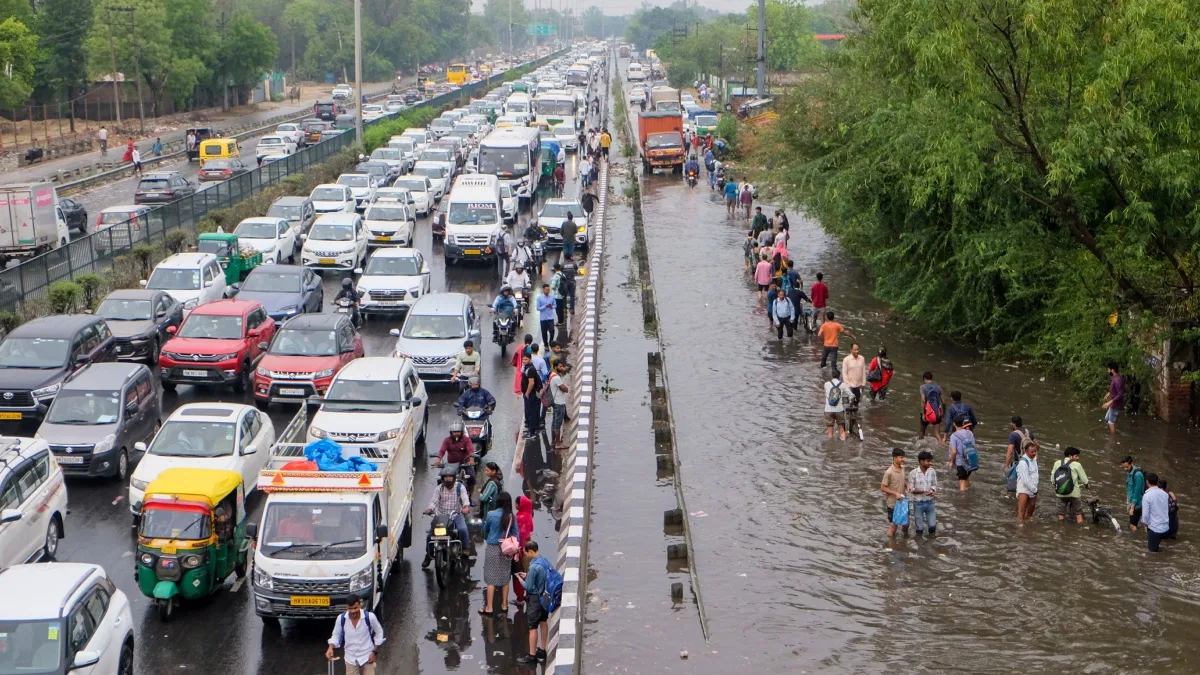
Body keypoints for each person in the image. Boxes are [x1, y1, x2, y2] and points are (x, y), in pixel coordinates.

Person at [422, 469, 471, 568]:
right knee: (430, 536)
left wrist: (466, 507)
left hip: (455, 514)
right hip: (441, 515)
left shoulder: (460, 487)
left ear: (454, 478)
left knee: (462, 529)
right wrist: (429, 509)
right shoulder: (439, 488)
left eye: (450, 478)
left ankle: (465, 550)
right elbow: (433, 501)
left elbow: (465, 499)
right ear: (443, 479)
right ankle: (428, 554)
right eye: (446, 478)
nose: (448, 480)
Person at [325, 594, 385, 675]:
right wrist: (330, 648)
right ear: (347, 607)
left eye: (355, 608)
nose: (353, 611)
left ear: (360, 605)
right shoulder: (341, 619)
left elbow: (379, 632)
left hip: (367, 656)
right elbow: (336, 635)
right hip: (350, 658)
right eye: (350, 608)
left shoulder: (370, 617)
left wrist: (374, 652)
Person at [481, 492, 519, 615]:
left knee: (491, 580)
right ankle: (504, 605)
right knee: (504, 578)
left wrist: (489, 538)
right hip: (506, 550)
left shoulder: (491, 514)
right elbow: (516, 534)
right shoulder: (511, 516)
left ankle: (489, 607)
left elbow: (485, 532)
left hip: (492, 548)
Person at [515, 540, 551, 664]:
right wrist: (528, 575)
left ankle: (531, 656)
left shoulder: (533, 566)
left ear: (531, 551)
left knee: (533, 627)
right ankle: (542, 650)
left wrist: (520, 579)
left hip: (535, 599)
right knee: (543, 621)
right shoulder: (545, 561)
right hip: (545, 596)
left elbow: (529, 587)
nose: (525, 555)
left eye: (526, 553)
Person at [1051, 447, 1089, 524]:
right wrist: (1086, 485)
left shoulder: (1057, 463)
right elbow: (1085, 480)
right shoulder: (1077, 465)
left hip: (1060, 493)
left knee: (1061, 514)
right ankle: (1080, 530)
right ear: (1070, 456)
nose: (1078, 458)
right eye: (1076, 456)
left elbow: (1052, 480)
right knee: (1078, 513)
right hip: (1074, 494)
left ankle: (1061, 529)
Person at [907, 450, 938, 536]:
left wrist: (932, 491)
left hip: (930, 502)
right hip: (918, 503)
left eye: (930, 461)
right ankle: (920, 546)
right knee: (919, 529)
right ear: (921, 461)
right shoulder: (913, 473)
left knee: (932, 527)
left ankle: (931, 543)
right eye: (928, 461)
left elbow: (934, 485)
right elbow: (910, 489)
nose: (930, 463)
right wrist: (923, 491)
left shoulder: (932, 472)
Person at [512, 494, 535, 606]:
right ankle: (528, 596)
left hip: (519, 550)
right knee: (528, 572)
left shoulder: (518, 518)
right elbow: (530, 531)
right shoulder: (529, 516)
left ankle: (520, 598)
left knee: (518, 574)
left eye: (517, 503)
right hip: (528, 549)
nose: (515, 505)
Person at [1004, 417, 1038, 493]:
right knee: (1031, 483)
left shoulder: (1013, 434)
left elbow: (1010, 451)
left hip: (1020, 462)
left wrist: (1006, 466)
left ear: (1013, 424)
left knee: (1019, 486)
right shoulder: (1029, 432)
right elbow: (1037, 444)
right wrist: (1034, 456)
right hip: (1032, 462)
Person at [881, 448, 909, 537]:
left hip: (903, 501)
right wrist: (895, 493)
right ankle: (890, 543)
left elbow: (902, 480)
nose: (902, 459)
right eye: (901, 457)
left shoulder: (902, 468)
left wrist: (906, 485)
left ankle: (904, 538)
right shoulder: (889, 472)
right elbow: (883, 488)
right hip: (893, 503)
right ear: (895, 458)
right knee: (894, 525)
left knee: (906, 523)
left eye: (903, 457)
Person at [948, 415, 977, 491]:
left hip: (961, 463)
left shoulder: (953, 436)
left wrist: (952, 462)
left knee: (962, 483)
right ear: (963, 423)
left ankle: (963, 501)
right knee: (966, 479)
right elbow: (974, 447)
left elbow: (954, 452)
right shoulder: (970, 433)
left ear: (954, 424)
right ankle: (969, 496)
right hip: (971, 461)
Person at [1142, 473, 1169, 552]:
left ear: (1147, 482)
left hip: (1155, 528)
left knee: (1151, 553)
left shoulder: (1147, 496)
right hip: (1165, 527)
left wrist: (1145, 524)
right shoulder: (1165, 494)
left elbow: (1145, 515)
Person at [823, 369, 852, 440]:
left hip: (828, 410)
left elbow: (826, 394)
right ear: (839, 376)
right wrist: (850, 402)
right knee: (842, 430)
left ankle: (831, 446)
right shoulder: (843, 384)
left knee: (830, 433)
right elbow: (851, 395)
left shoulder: (826, 384)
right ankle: (843, 446)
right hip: (839, 410)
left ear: (832, 376)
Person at [1015, 439, 1038, 523]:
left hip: (1033, 489)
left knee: (1031, 510)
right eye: (1032, 452)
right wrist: (1034, 490)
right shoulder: (1023, 463)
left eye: (1035, 451)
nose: (1034, 453)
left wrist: (1034, 489)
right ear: (1026, 451)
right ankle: (1020, 529)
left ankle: (1027, 525)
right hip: (1024, 489)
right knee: (1021, 511)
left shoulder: (1034, 459)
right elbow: (1026, 479)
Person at [918, 372, 945, 443]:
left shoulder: (922, 387)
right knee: (937, 434)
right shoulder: (938, 387)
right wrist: (943, 413)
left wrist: (923, 414)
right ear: (931, 378)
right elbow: (943, 402)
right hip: (936, 413)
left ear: (924, 379)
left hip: (927, 412)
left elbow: (923, 400)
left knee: (922, 433)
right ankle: (942, 446)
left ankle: (919, 450)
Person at [1121, 456, 1146, 532]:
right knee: (1144, 524)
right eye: (1123, 467)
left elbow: (1137, 492)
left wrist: (1132, 508)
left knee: (1132, 526)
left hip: (1137, 504)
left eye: (1127, 467)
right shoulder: (1130, 473)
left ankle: (1137, 539)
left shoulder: (1138, 475)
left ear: (1131, 463)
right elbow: (1129, 489)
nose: (1125, 469)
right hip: (1133, 503)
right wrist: (1128, 503)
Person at [549, 360, 569, 448]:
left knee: (554, 422)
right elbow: (564, 388)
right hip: (559, 402)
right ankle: (558, 443)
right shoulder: (556, 378)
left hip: (554, 401)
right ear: (555, 367)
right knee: (558, 423)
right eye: (560, 366)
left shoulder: (552, 375)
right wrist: (566, 388)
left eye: (562, 366)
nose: (562, 368)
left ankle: (553, 441)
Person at [521, 352, 543, 437]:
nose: (524, 361)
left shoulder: (531, 369)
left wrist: (527, 393)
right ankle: (531, 429)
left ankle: (532, 432)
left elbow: (531, 383)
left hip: (531, 395)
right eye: (523, 359)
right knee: (530, 412)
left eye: (526, 359)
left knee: (531, 413)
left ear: (530, 359)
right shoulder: (527, 368)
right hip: (529, 394)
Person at [1102, 361, 1124, 433]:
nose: (1108, 371)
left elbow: (1120, 394)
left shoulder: (1117, 380)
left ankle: (1112, 440)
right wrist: (1109, 393)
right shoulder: (1115, 377)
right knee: (1106, 418)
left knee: (1111, 422)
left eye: (1108, 369)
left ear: (1112, 370)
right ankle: (1111, 431)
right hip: (1113, 403)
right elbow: (1116, 389)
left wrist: (1109, 402)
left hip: (1115, 404)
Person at [536, 283, 557, 348]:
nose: (548, 291)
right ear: (543, 290)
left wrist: (552, 307)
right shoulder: (539, 298)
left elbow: (555, 305)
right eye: (546, 290)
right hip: (543, 318)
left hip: (550, 317)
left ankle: (551, 342)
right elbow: (538, 308)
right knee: (544, 332)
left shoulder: (552, 297)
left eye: (548, 290)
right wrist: (545, 306)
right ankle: (546, 344)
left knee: (552, 330)